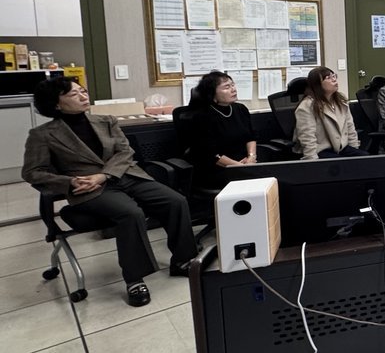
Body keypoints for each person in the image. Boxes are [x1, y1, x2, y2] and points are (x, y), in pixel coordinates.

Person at [22, 78, 198, 307]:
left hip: (124, 175)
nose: (83, 96)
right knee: (130, 213)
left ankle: (183, 260)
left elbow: (125, 152)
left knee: (175, 200)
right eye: (74, 94)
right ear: (56, 104)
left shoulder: (106, 120)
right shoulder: (42, 134)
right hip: (89, 188)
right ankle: (134, 279)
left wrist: (104, 175)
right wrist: (70, 182)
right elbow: (33, 172)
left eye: (83, 91)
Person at [189, 71, 256, 188]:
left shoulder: (240, 109)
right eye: (227, 87)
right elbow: (211, 155)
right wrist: (238, 166)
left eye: (233, 85)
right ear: (212, 93)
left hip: (245, 162)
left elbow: (250, 137)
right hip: (217, 168)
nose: (233, 89)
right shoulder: (202, 116)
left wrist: (251, 157)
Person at [294, 66, 366, 160]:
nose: (334, 80)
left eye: (334, 76)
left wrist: (355, 149)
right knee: (339, 166)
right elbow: (307, 138)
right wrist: (312, 161)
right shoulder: (307, 106)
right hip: (321, 151)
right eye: (328, 78)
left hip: (341, 148)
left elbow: (350, 129)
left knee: (366, 160)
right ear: (318, 84)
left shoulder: (341, 101)